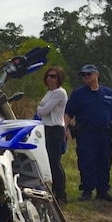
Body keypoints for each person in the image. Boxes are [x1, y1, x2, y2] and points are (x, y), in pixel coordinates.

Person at [64, 64, 112, 203]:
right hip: (86, 134)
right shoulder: (78, 94)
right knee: (87, 161)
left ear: (96, 75)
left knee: (105, 161)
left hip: (104, 134)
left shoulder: (108, 93)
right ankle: (87, 190)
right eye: (84, 75)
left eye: (89, 74)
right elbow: (68, 113)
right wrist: (65, 128)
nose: (86, 77)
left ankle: (103, 190)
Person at [36, 66, 68, 203]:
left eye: (53, 76)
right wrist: (41, 109)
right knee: (48, 160)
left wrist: (39, 109)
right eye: (48, 76)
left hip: (55, 128)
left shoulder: (59, 92)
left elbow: (44, 110)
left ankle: (60, 193)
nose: (50, 78)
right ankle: (53, 190)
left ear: (59, 78)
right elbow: (43, 110)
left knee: (54, 162)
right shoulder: (50, 92)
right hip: (46, 128)